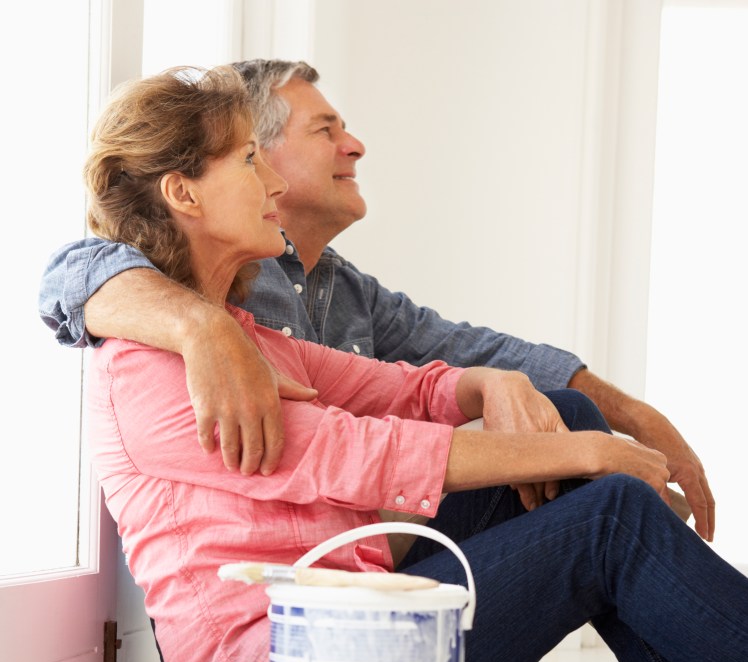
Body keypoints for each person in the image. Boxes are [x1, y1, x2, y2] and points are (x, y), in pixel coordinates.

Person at [80, 64, 748, 662]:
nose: (269, 180)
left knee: (573, 423)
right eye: (247, 159)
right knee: (609, 513)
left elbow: (403, 388)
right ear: (184, 193)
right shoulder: (150, 371)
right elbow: (367, 453)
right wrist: (598, 455)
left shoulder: (246, 337)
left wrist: (489, 384)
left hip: (349, 621)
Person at [39, 59, 712, 540]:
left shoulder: (340, 285)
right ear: (260, 148)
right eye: (325, 130)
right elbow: (69, 272)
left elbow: (465, 355)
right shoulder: (190, 287)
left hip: (352, 542)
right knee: (595, 498)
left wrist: (632, 417)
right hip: (279, 588)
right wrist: (201, 328)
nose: (354, 144)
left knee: (563, 414)